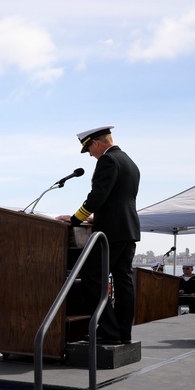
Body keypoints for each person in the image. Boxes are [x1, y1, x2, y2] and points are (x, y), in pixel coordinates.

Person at [57, 125, 140, 344]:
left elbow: (97, 197)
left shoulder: (107, 160)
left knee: (92, 276)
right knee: (124, 282)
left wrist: (75, 219)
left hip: (111, 232)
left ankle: (108, 333)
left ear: (95, 143)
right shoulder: (129, 161)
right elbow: (118, 198)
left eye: (89, 150)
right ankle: (123, 334)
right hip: (128, 228)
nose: (91, 156)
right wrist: (96, 217)